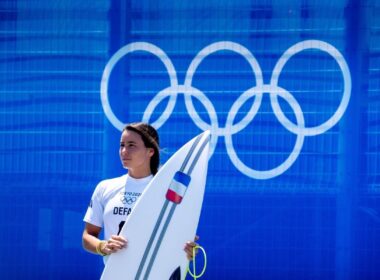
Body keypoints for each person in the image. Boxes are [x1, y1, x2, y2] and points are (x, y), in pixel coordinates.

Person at [82, 122, 198, 262]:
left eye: (131, 145)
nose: (124, 151)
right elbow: (88, 236)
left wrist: (187, 250)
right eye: (122, 145)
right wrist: (103, 246)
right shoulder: (105, 187)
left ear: (150, 151)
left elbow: (181, 238)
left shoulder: (170, 190)